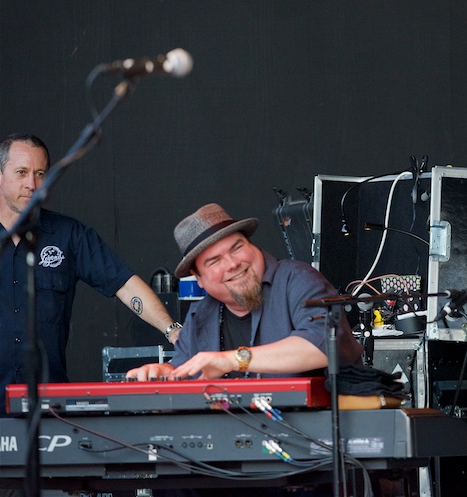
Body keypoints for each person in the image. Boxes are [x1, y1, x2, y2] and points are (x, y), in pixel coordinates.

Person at [0, 132, 182, 413]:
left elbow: (123, 283)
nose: (32, 184)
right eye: (21, 172)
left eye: (40, 174)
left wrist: (172, 331)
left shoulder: (68, 235)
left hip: (49, 403)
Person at [126, 203, 363, 381]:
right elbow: (184, 374)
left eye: (237, 247)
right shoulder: (200, 315)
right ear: (199, 279)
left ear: (252, 245)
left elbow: (322, 346)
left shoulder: (298, 279)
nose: (232, 264)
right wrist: (162, 375)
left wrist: (231, 359)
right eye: (214, 261)